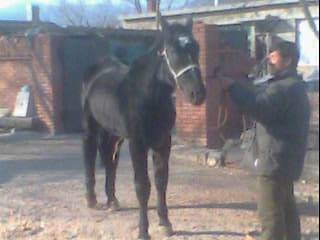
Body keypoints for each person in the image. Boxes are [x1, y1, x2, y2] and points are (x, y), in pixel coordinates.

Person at [220, 41, 311, 240]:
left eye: (274, 55)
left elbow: (260, 107)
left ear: (287, 60)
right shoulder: (291, 86)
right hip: (285, 161)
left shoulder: (283, 89)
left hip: (274, 162)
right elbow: (262, 98)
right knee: (287, 212)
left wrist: (233, 88)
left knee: (271, 218)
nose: (269, 58)